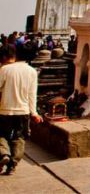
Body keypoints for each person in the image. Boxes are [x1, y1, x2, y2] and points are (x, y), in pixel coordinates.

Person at [0, 44, 42, 174]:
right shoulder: (32, 71)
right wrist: (34, 113)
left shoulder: (4, 70)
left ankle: (4, 154)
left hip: (5, 109)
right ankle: (13, 164)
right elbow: (32, 94)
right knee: (19, 137)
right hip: (23, 111)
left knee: (2, 135)